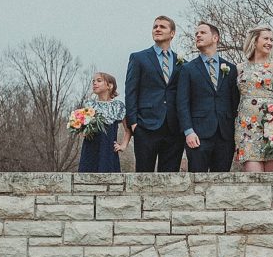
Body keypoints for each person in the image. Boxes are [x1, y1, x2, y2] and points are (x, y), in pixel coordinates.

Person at [176, 22, 240, 172]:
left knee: (221, 181)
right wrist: (188, 131)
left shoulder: (230, 69)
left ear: (215, 37)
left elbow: (235, 102)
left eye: (202, 33)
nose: (198, 35)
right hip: (198, 135)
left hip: (225, 135)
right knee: (198, 181)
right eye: (196, 33)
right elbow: (182, 103)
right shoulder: (188, 69)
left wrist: (235, 135)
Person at [124, 16, 184, 172]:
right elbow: (130, 90)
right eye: (155, 26)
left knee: (170, 177)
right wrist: (134, 123)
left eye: (162, 27)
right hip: (145, 125)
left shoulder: (182, 62)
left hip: (173, 127)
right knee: (144, 176)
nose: (157, 29)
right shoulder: (139, 58)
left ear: (172, 33)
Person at [235, 27, 273, 172]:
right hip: (247, 127)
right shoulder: (240, 68)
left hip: (272, 124)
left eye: (271, 39)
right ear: (254, 41)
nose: (270, 42)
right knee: (253, 176)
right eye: (266, 38)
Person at [77, 72, 131, 173]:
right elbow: (82, 128)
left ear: (109, 85)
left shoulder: (118, 106)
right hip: (90, 150)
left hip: (108, 150)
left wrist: (123, 145)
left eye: (99, 80)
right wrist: (82, 131)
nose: (94, 83)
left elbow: (128, 130)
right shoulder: (89, 104)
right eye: (93, 81)